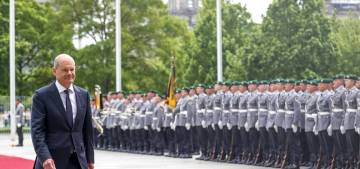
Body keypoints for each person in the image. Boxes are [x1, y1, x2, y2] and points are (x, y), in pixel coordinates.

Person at [31, 54, 94, 169]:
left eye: (72, 69)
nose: (70, 73)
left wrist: (90, 160)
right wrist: (45, 157)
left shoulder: (84, 95)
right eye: (65, 70)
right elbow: (37, 132)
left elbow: (88, 131)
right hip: (52, 162)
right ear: (54, 71)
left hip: (79, 162)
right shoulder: (41, 96)